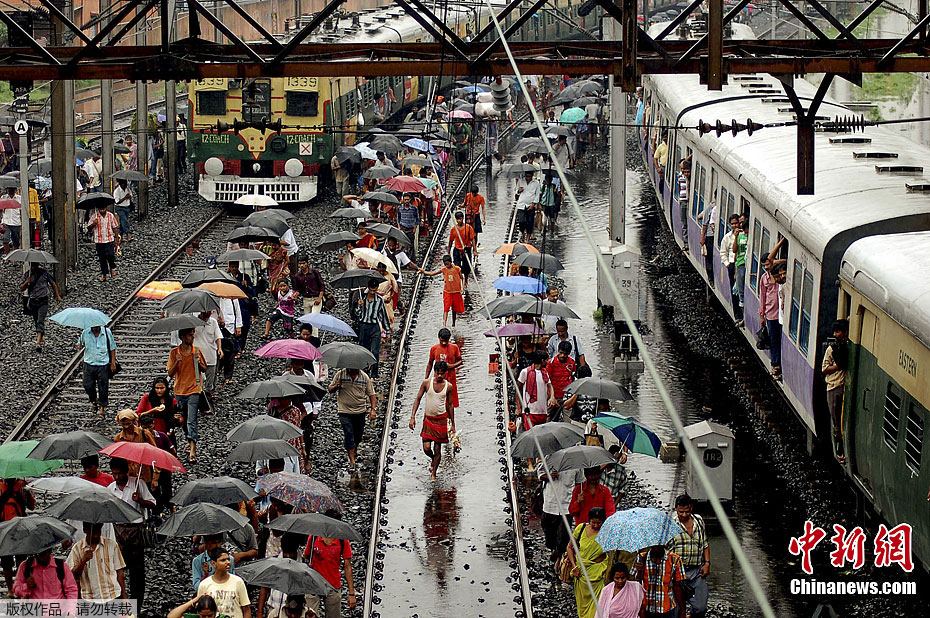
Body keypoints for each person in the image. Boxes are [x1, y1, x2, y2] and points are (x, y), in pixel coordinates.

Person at [108, 457, 154, 606]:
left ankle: (137, 603)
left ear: (126, 472)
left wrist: (140, 500)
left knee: (137, 571)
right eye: (114, 474)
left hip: (135, 531)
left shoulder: (138, 484)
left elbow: (153, 503)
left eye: (119, 474)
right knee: (117, 569)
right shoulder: (110, 489)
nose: (117, 477)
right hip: (118, 532)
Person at [304, 509, 356, 616]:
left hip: (333, 585)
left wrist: (351, 593)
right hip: (313, 583)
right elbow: (306, 556)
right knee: (310, 615)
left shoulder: (342, 540)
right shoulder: (314, 536)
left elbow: (347, 566)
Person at [167, 327, 207, 463]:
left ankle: (193, 450)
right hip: (179, 391)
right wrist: (177, 362)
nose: (193, 337)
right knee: (183, 420)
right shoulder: (174, 353)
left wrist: (198, 361)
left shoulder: (196, 351)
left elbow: (204, 368)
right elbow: (170, 373)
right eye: (190, 335)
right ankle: (189, 440)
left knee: (192, 419)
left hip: (194, 389)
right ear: (183, 337)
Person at [666, 494, 710, 618]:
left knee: (701, 607)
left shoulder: (699, 520)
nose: (684, 515)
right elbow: (665, 552)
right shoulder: (670, 525)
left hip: (697, 571)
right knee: (677, 610)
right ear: (676, 509)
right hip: (677, 573)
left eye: (687, 511)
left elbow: (705, 544)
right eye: (681, 512)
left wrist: (707, 563)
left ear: (691, 508)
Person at [409, 361, 455, 480]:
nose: (439, 376)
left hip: (441, 419)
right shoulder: (426, 383)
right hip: (428, 419)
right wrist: (412, 416)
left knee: (437, 447)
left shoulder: (448, 386)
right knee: (426, 448)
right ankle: (433, 459)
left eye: (442, 374)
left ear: (445, 373)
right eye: (437, 373)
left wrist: (453, 424)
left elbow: (450, 405)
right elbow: (418, 399)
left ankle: (433, 473)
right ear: (434, 372)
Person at [328, 366, 377, 471]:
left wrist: (373, 409)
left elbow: (372, 395)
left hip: (360, 411)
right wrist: (337, 385)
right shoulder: (340, 375)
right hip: (344, 411)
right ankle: (352, 461)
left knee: (358, 435)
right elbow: (330, 389)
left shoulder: (364, 377)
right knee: (348, 433)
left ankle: (354, 449)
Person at [565, 507, 609, 618]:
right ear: (589, 520)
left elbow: (610, 554)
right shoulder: (581, 529)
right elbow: (570, 547)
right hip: (580, 574)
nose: (596, 525)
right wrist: (574, 566)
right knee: (582, 605)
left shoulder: (607, 533)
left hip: (598, 574)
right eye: (593, 522)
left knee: (597, 607)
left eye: (599, 523)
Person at [66, 522, 126, 600]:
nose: (96, 535)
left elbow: (120, 572)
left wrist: (124, 595)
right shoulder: (77, 549)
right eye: (93, 532)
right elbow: (73, 575)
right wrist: (83, 560)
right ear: (85, 530)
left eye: (98, 531)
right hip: (89, 598)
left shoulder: (112, 545)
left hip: (113, 595)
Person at [538, 465, 583, 564]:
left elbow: (579, 483)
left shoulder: (576, 464)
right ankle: (553, 549)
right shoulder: (549, 459)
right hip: (550, 504)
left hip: (566, 505)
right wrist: (548, 476)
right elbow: (540, 474)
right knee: (549, 533)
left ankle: (559, 557)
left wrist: (578, 499)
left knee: (564, 535)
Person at [0, 477, 35, 591]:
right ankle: (11, 588)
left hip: (20, 527)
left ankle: (21, 586)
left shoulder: (22, 487)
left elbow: (31, 505)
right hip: (4, 527)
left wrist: (27, 491)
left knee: (21, 558)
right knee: (6, 560)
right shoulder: (1, 487)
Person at [633, 545, 687, 618]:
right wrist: (639, 571)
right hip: (645, 608)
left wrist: (683, 609)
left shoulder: (674, 559)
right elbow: (634, 582)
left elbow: (678, 586)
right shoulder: (641, 558)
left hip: (667, 608)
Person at [196, 547, 251, 618]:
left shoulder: (238, 582)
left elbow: (246, 609)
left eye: (228, 559)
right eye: (223, 560)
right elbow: (200, 611)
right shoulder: (204, 584)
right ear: (213, 563)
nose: (227, 562)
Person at [823, 319, 849, 463]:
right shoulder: (831, 349)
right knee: (836, 421)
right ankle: (839, 451)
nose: (835, 334)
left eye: (838, 331)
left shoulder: (845, 347)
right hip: (833, 387)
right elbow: (824, 369)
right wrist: (838, 366)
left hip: (842, 386)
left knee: (841, 419)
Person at [355, 278, 391, 378]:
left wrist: (387, 330)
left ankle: (374, 373)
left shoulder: (379, 300)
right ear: (368, 288)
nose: (372, 292)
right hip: (364, 326)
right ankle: (365, 370)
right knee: (364, 349)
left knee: (375, 351)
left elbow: (383, 316)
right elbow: (357, 315)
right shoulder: (363, 298)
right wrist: (359, 306)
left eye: (374, 290)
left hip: (374, 327)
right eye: (371, 290)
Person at [20, 263, 61, 352]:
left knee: (40, 320)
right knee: (36, 320)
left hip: (43, 301)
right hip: (33, 301)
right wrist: (27, 282)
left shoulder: (44, 273)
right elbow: (21, 288)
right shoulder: (27, 274)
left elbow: (53, 283)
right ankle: (41, 336)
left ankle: (38, 343)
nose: (34, 267)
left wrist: (57, 295)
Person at [112, 408, 159, 486]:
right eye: (123, 422)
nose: (126, 425)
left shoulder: (144, 433)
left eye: (128, 422)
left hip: (144, 474)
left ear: (133, 421)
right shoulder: (118, 438)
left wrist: (155, 478)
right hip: (128, 476)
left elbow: (155, 454)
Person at [80, 324, 118, 418]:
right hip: (89, 363)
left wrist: (113, 362)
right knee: (87, 385)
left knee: (103, 387)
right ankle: (93, 400)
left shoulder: (106, 332)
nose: (95, 327)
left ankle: (102, 408)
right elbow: (80, 344)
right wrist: (78, 345)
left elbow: (112, 347)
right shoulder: (85, 332)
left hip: (103, 364)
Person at [12, 547, 78, 600]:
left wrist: (70, 612)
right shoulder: (25, 566)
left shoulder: (61, 566)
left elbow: (71, 590)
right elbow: (16, 589)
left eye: (46, 552)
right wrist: (27, 586)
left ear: (50, 551)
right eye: (41, 553)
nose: (44, 556)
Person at [759, 261, 788, 380]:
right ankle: (775, 364)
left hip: (781, 315)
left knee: (780, 339)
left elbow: (772, 260)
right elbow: (762, 296)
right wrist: (762, 313)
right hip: (771, 313)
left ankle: (780, 363)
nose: (766, 267)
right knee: (774, 340)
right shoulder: (765, 279)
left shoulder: (781, 281)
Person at [517, 352, 556, 433]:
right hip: (529, 411)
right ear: (542, 361)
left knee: (541, 435)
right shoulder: (525, 372)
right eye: (546, 360)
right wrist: (518, 407)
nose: (548, 362)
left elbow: (550, 385)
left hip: (542, 411)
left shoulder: (545, 373)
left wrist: (552, 397)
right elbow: (517, 389)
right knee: (531, 435)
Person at [421, 255, 464, 327]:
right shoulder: (444, 270)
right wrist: (424, 272)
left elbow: (461, 278)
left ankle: (453, 323)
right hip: (447, 292)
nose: (446, 265)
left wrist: (462, 288)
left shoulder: (457, 269)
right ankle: (444, 324)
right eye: (445, 264)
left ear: (451, 262)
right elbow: (432, 273)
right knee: (446, 308)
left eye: (447, 264)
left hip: (456, 292)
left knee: (454, 309)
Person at [424, 328, 462, 410]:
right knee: (437, 400)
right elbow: (430, 363)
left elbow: (460, 361)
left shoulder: (454, 347)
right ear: (439, 338)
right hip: (438, 378)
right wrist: (426, 378)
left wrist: (451, 366)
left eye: (446, 341)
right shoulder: (434, 349)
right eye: (442, 341)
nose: (444, 343)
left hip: (450, 378)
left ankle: (450, 419)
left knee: (450, 401)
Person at [194, 310, 224, 401]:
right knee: (197, 378)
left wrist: (219, 348)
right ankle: (198, 396)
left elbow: (218, 336)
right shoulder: (193, 321)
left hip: (211, 354)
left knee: (210, 378)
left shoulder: (213, 322)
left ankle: (208, 397)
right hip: (197, 355)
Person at [87, 202, 121, 281]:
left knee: (110, 255)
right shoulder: (94, 216)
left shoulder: (110, 216)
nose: (102, 210)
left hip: (109, 239)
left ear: (106, 208)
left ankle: (112, 268)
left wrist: (116, 238)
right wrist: (93, 224)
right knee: (102, 258)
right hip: (99, 240)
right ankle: (104, 274)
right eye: (100, 208)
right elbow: (88, 228)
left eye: (103, 208)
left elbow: (115, 227)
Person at [291, 256, 325, 322]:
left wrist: (319, 298)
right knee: (308, 320)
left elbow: (322, 285)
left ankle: (315, 332)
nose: (301, 265)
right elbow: (299, 289)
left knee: (314, 319)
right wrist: (296, 294)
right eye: (300, 264)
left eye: (303, 263)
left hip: (316, 298)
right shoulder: (297, 276)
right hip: (306, 299)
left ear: (307, 263)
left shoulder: (314, 273)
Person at [447, 211, 476, 281]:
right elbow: (451, 241)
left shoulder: (468, 228)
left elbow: (472, 240)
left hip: (466, 249)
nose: (458, 220)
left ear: (463, 218)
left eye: (459, 218)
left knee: (467, 268)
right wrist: (448, 252)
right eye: (457, 219)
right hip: (457, 249)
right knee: (457, 267)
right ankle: (460, 280)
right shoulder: (454, 229)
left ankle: (466, 279)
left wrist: (475, 250)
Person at [719, 214, 739, 309]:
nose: (735, 225)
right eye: (732, 224)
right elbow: (723, 252)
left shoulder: (744, 235)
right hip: (732, 264)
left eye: (736, 223)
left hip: (740, 264)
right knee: (733, 290)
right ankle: (737, 314)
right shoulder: (727, 237)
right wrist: (728, 264)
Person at [698, 190, 718, 286]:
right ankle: (710, 277)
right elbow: (705, 224)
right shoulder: (710, 208)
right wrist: (702, 238)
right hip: (710, 236)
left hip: (716, 236)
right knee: (709, 257)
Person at [731, 219, 748, 325]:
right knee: (740, 291)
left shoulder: (752, 238)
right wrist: (736, 236)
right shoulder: (740, 236)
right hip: (740, 264)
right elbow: (734, 250)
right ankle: (742, 316)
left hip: (747, 265)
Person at [516, 171, 540, 242]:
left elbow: (537, 194)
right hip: (521, 204)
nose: (527, 178)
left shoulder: (536, 183)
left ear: (532, 176)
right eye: (526, 176)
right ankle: (523, 234)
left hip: (530, 205)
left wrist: (533, 204)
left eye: (529, 176)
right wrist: (518, 191)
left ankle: (527, 238)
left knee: (530, 222)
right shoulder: (521, 181)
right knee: (521, 221)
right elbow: (516, 191)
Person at [113, 178, 133, 242]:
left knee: (122, 222)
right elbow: (117, 202)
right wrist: (125, 198)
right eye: (124, 184)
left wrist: (129, 196)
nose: (125, 186)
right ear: (121, 184)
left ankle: (120, 236)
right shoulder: (117, 191)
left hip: (127, 207)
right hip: (120, 208)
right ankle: (128, 234)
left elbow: (131, 195)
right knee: (124, 220)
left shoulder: (128, 189)